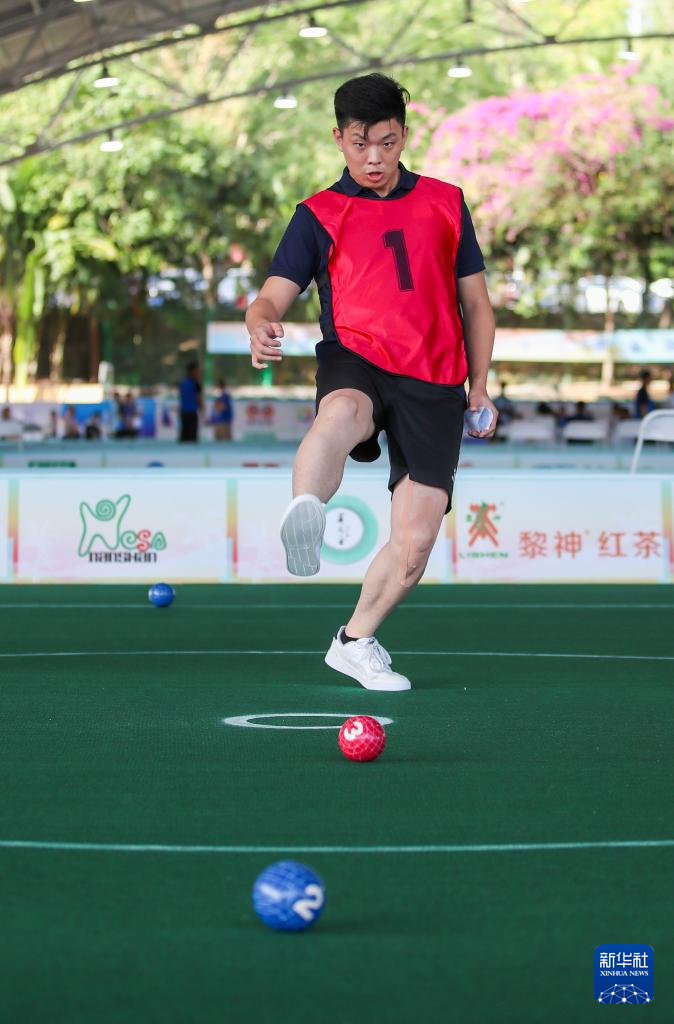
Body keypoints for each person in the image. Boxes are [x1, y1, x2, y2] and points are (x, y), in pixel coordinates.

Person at [245, 73, 497, 692]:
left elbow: (477, 306)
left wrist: (480, 387)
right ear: (339, 139)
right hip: (356, 355)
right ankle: (306, 508)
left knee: (416, 541)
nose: (375, 158)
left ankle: (354, 641)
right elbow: (271, 296)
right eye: (360, 145)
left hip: (435, 376)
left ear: (403, 136)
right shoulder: (317, 215)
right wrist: (260, 322)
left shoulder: (446, 202)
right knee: (342, 415)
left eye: (387, 143)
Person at [179, 361, 202, 442]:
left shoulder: (183, 383)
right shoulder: (195, 383)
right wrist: (203, 409)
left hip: (183, 412)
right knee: (192, 437)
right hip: (191, 413)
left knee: (184, 436)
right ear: (193, 371)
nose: (199, 373)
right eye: (197, 371)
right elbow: (199, 398)